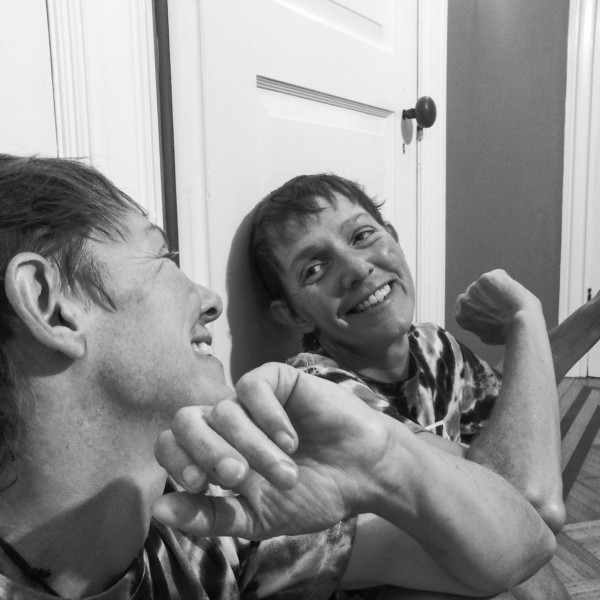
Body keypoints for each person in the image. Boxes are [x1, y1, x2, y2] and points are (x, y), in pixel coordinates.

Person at [0, 154, 555, 599]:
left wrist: (388, 461)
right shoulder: (311, 396)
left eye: (363, 236)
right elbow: (529, 491)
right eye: (164, 255)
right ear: (51, 305)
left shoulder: (218, 518)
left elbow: (524, 545)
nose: (212, 301)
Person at [246, 173, 596, 599]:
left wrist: (592, 316)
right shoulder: (318, 388)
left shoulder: (432, 344)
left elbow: (515, 412)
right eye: (315, 269)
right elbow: (520, 501)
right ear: (294, 315)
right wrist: (524, 317)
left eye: (362, 236)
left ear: (393, 237)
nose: (356, 269)